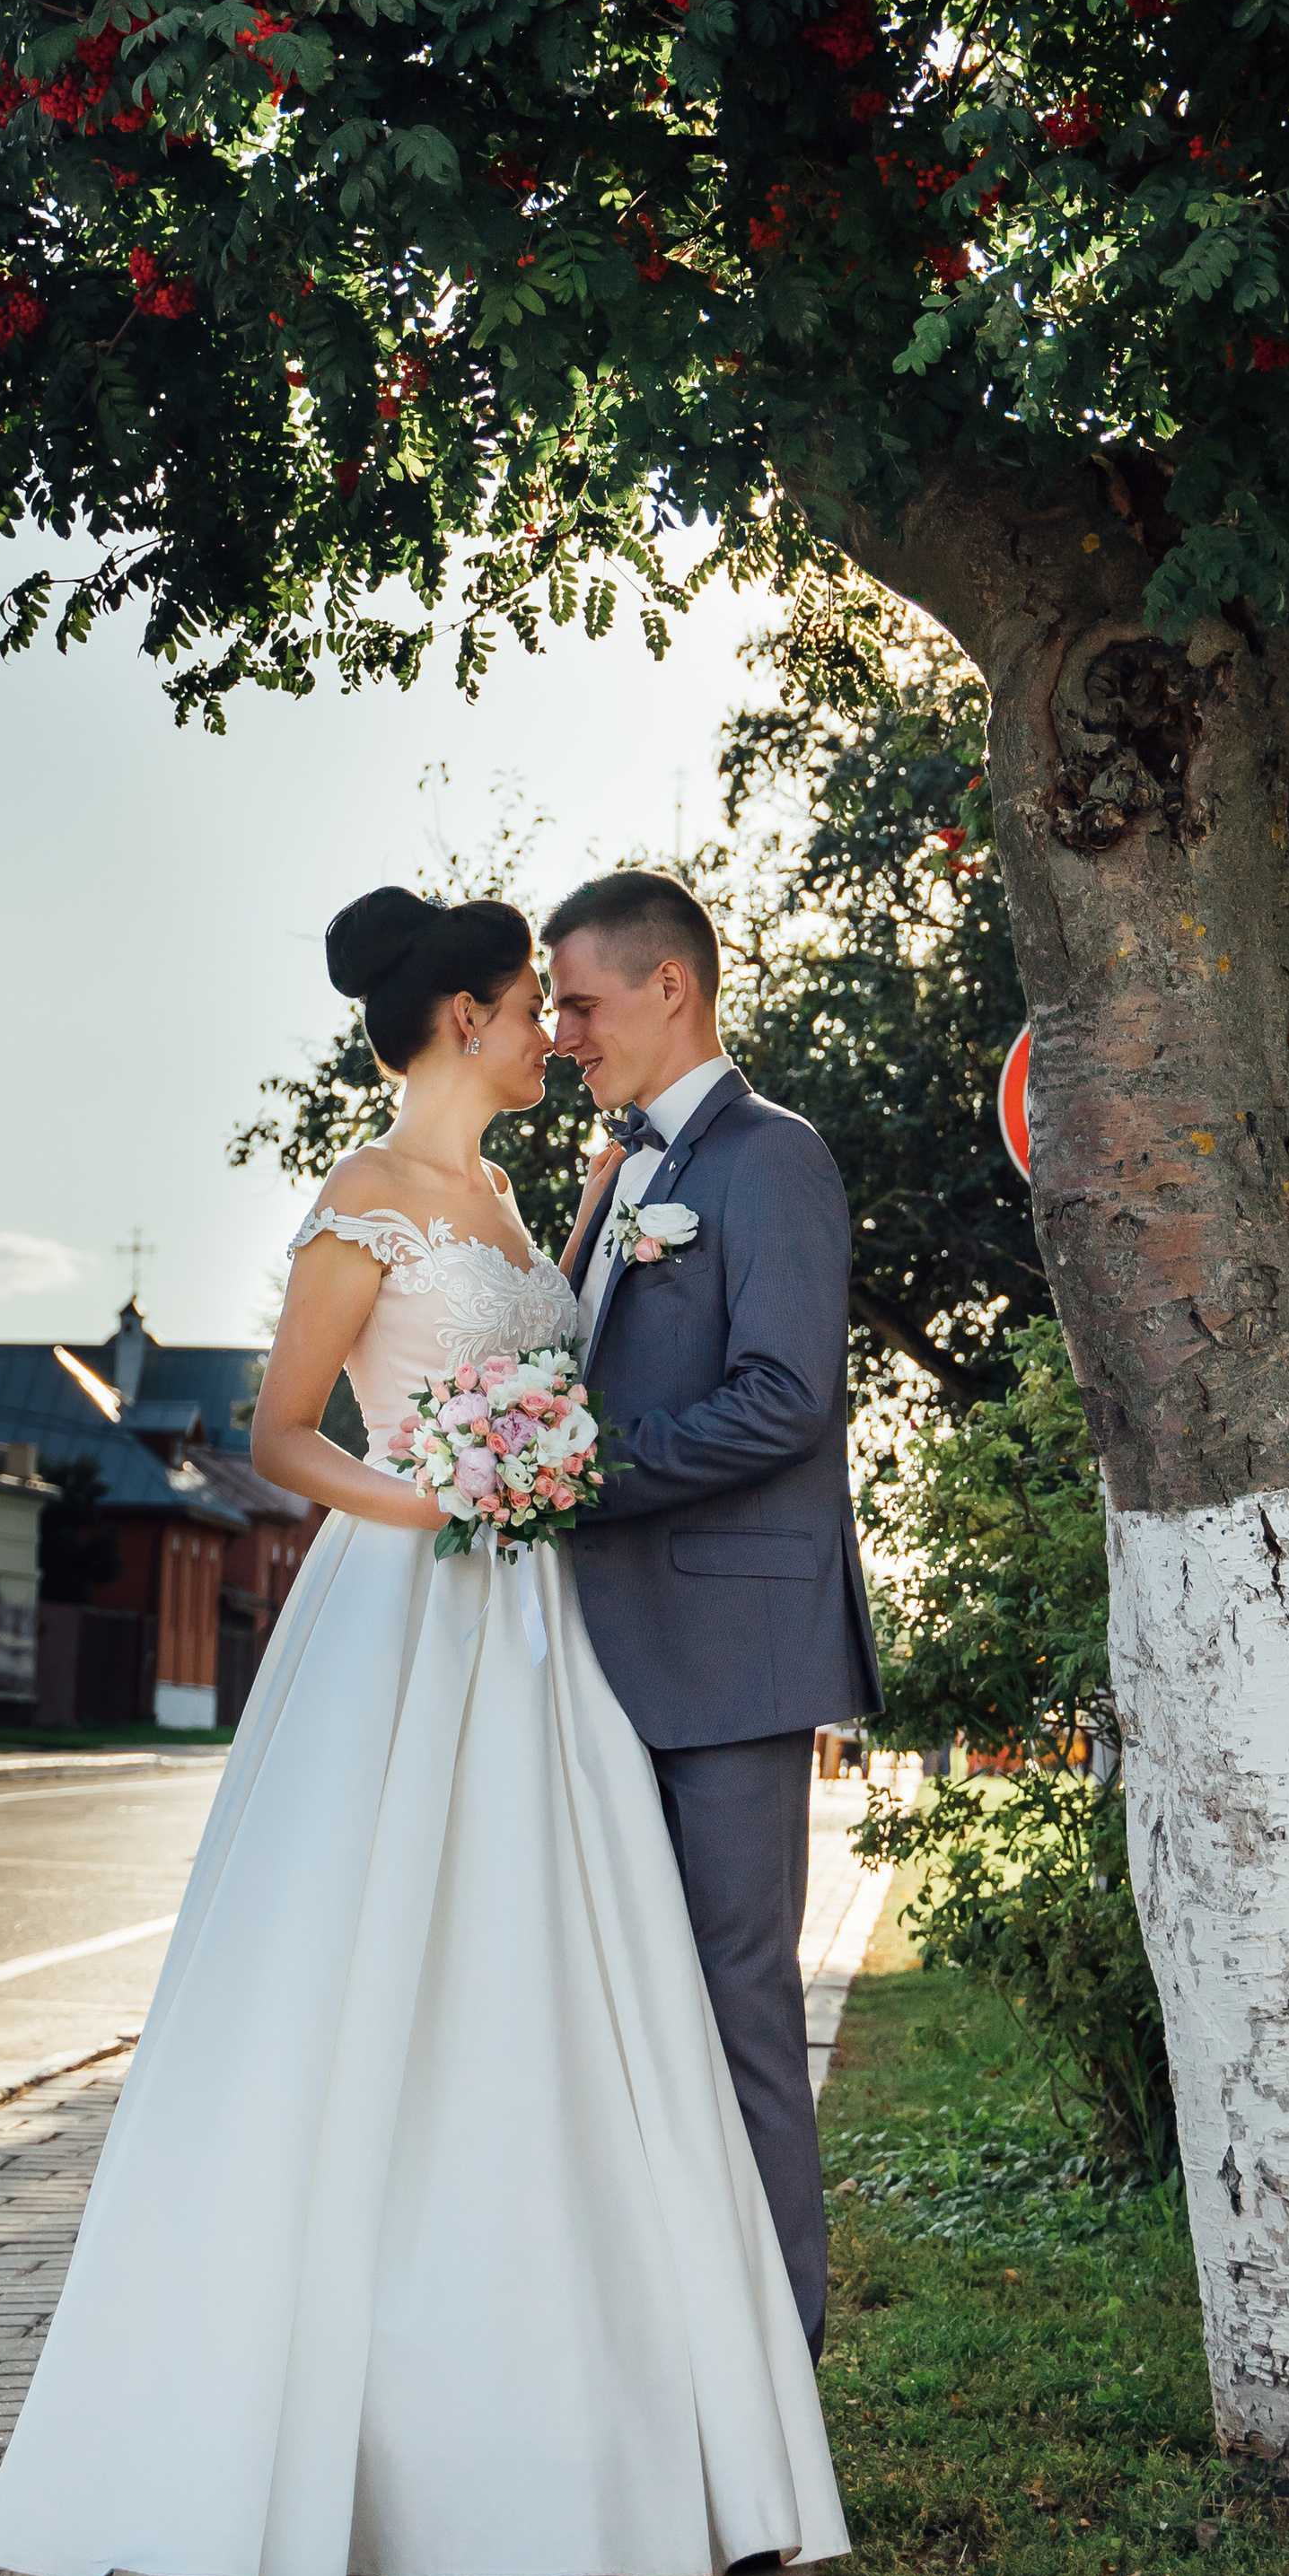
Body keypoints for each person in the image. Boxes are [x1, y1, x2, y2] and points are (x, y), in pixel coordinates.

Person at [0, 888, 846, 2576]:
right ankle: (327, 2435)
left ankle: (632, 2406)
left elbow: (611, 1393)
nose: (553, 1033)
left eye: (572, 1007)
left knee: (569, 2006)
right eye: (536, 1007)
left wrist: (540, 1465)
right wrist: (449, 1495)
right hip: (422, 1612)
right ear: (466, 1017)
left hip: (545, 1634)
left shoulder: (539, 1205)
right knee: (372, 1990)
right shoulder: (361, 1209)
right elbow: (283, 1435)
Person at [546, 870, 885, 2361]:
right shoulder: (616, 1176)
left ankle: (771, 2376)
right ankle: (652, 2351)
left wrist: (576, 1475)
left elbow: (786, 1401)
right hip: (595, 1651)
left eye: (580, 1002)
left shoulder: (772, 1160)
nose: (563, 1033)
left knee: (742, 2012)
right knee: (613, 2012)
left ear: (667, 987)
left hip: (734, 1661)